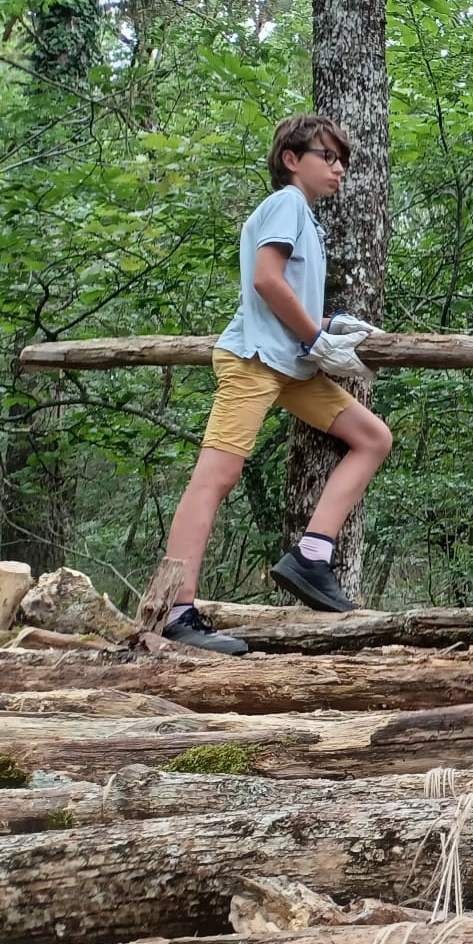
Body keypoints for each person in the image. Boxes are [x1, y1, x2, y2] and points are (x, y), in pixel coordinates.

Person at [155, 115, 395, 653]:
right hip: (256, 360)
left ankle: (312, 555)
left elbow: (286, 291)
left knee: (373, 437)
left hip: (293, 366)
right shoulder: (287, 202)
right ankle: (175, 611)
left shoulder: (305, 219)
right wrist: (317, 335)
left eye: (342, 161)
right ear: (293, 160)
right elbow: (265, 280)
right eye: (326, 157)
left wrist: (329, 327)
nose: (338, 169)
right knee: (217, 476)